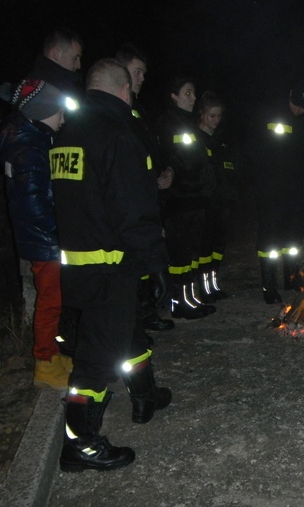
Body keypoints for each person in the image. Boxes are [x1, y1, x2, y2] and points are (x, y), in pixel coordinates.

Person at [51, 58, 172, 471]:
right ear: (124, 91)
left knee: (126, 333)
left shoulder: (68, 133)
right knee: (96, 361)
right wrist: (156, 263)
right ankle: (80, 445)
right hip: (112, 266)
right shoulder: (117, 136)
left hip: (80, 266)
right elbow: (134, 209)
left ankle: (145, 396)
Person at [0, 79, 70, 390]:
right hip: (44, 239)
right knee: (50, 301)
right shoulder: (29, 148)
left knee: (55, 299)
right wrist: (58, 231)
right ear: (42, 111)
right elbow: (35, 201)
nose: (63, 118)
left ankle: (52, 354)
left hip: (42, 236)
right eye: (59, 112)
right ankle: (44, 363)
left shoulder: (32, 140)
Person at [115, 43, 175, 332]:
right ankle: (135, 320)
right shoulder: (117, 112)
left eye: (143, 73)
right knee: (133, 259)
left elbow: (153, 150)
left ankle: (147, 312)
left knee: (148, 254)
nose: (141, 78)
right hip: (129, 201)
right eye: (137, 72)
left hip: (150, 196)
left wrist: (166, 171)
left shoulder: (139, 110)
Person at [246, 80, 304, 304]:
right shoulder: (270, 114)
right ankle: (269, 285)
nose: (297, 109)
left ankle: (291, 277)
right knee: (270, 238)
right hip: (270, 188)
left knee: (294, 235)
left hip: (294, 189)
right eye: (295, 104)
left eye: (303, 107)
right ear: (289, 95)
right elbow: (254, 149)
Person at [156, 75, 217, 318]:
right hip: (179, 200)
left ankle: (190, 298)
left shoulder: (189, 122)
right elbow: (177, 159)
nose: (193, 98)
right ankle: (178, 302)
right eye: (187, 93)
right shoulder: (168, 122)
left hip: (195, 197)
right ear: (174, 96)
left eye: (193, 93)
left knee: (191, 252)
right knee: (179, 253)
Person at [196, 91, 240, 301]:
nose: (216, 120)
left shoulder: (222, 140)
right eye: (212, 115)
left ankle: (213, 284)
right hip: (205, 203)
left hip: (223, 201)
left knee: (219, 245)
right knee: (204, 246)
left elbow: (231, 168)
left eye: (219, 116)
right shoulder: (197, 138)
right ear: (202, 114)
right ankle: (203, 287)